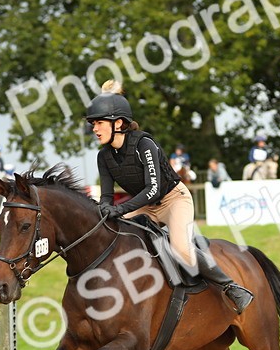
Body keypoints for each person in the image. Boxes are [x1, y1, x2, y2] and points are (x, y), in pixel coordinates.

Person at [87, 80, 253, 313]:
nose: (95, 129)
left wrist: (120, 209)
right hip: (144, 206)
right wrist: (105, 209)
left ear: (119, 123)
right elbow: (106, 194)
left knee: (181, 248)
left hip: (173, 200)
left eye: (100, 123)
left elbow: (153, 189)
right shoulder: (103, 156)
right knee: (115, 237)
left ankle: (231, 286)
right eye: (93, 124)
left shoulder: (144, 144)